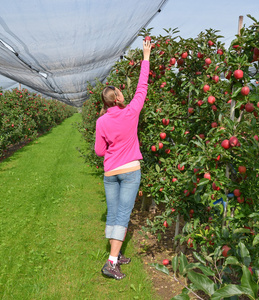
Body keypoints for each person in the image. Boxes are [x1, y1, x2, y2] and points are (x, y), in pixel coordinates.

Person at [94, 39, 151, 280]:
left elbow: (99, 151)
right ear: (117, 98)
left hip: (110, 173)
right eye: (120, 92)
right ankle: (111, 263)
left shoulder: (101, 121)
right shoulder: (131, 111)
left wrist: (111, 147)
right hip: (129, 171)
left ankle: (115, 253)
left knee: (113, 212)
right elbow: (142, 87)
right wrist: (146, 57)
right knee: (123, 214)